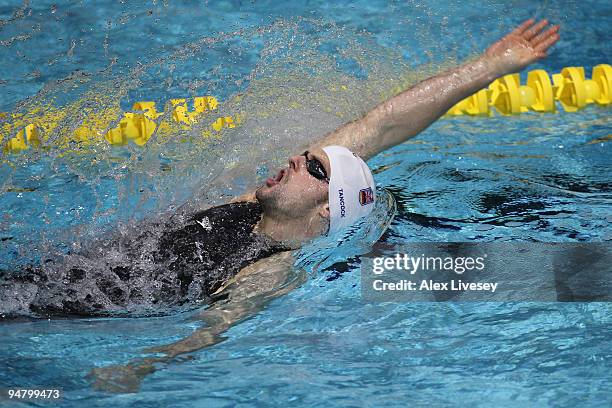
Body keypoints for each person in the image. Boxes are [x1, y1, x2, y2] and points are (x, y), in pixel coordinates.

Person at [3, 18, 559, 380]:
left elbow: (211, 332)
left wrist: (138, 370)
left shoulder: (270, 271)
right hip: (49, 273)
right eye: (307, 155)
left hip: (49, 313)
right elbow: (383, 123)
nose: (297, 158)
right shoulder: (251, 201)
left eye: (313, 167)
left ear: (326, 209)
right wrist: (491, 67)